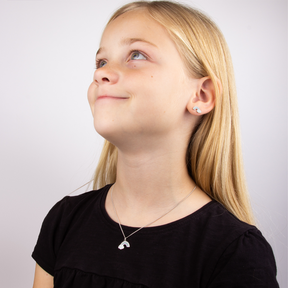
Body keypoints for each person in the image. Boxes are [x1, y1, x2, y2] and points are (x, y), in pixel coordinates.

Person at [32, 1, 279, 287]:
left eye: (136, 54)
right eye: (101, 61)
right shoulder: (64, 221)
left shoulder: (235, 252)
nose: (101, 73)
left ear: (201, 95)